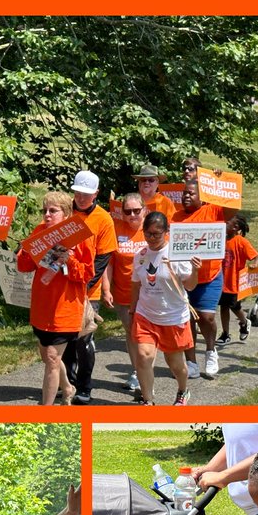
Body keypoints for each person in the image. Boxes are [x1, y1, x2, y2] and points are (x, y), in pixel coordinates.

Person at [16, 191, 95, 405]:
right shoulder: (40, 232)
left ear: (67, 213)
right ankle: (68, 387)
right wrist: (25, 251)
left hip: (66, 308)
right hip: (42, 306)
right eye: (45, 211)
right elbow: (24, 267)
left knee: (51, 357)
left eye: (53, 211)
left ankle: (46, 411)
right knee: (47, 355)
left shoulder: (80, 237)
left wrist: (68, 260)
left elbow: (88, 273)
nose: (47, 215)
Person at [130, 211, 198, 406]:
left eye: (156, 234)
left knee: (175, 365)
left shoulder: (177, 255)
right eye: (148, 233)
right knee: (144, 355)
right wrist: (132, 309)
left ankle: (183, 390)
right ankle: (148, 401)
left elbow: (191, 286)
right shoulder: (140, 255)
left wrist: (196, 270)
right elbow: (136, 284)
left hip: (173, 317)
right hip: (146, 315)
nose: (151, 238)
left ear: (166, 232)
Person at [64, 170, 116, 404]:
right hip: (62, 288)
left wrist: (84, 287)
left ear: (96, 193)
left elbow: (102, 259)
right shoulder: (65, 211)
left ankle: (85, 386)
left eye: (86, 194)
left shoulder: (103, 219)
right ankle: (67, 382)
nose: (81, 198)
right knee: (64, 339)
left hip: (87, 290)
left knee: (84, 340)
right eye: (77, 192)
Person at [172, 179, 229, 379]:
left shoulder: (213, 211)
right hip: (185, 278)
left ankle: (211, 350)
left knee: (207, 317)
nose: (186, 196)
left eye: (191, 193)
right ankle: (191, 362)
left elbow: (233, 209)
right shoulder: (175, 217)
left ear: (202, 198)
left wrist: (219, 182)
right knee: (186, 320)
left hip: (210, 276)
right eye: (184, 193)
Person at [101, 192, 148, 394]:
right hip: (123, 293)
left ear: (144, 210)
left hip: (149, 294)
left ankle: (143, 373)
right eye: (127, 211)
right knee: (131, 334)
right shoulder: (116, 228)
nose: (132, 215)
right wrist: (105, 288)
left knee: (144, 337)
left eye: (136, 211)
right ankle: (138, 372)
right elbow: (108, 262)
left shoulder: (153, 228)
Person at [217, 214, 258, 345]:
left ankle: (245, 321)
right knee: (223, 307)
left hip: (234, 282)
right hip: (220, 281)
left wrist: (255, 264)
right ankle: (225, 334)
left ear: (235, 227)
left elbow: (257, 256)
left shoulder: (241, 242)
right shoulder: (220, 239)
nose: (224, 223)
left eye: (227, 221)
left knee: (234, 306)